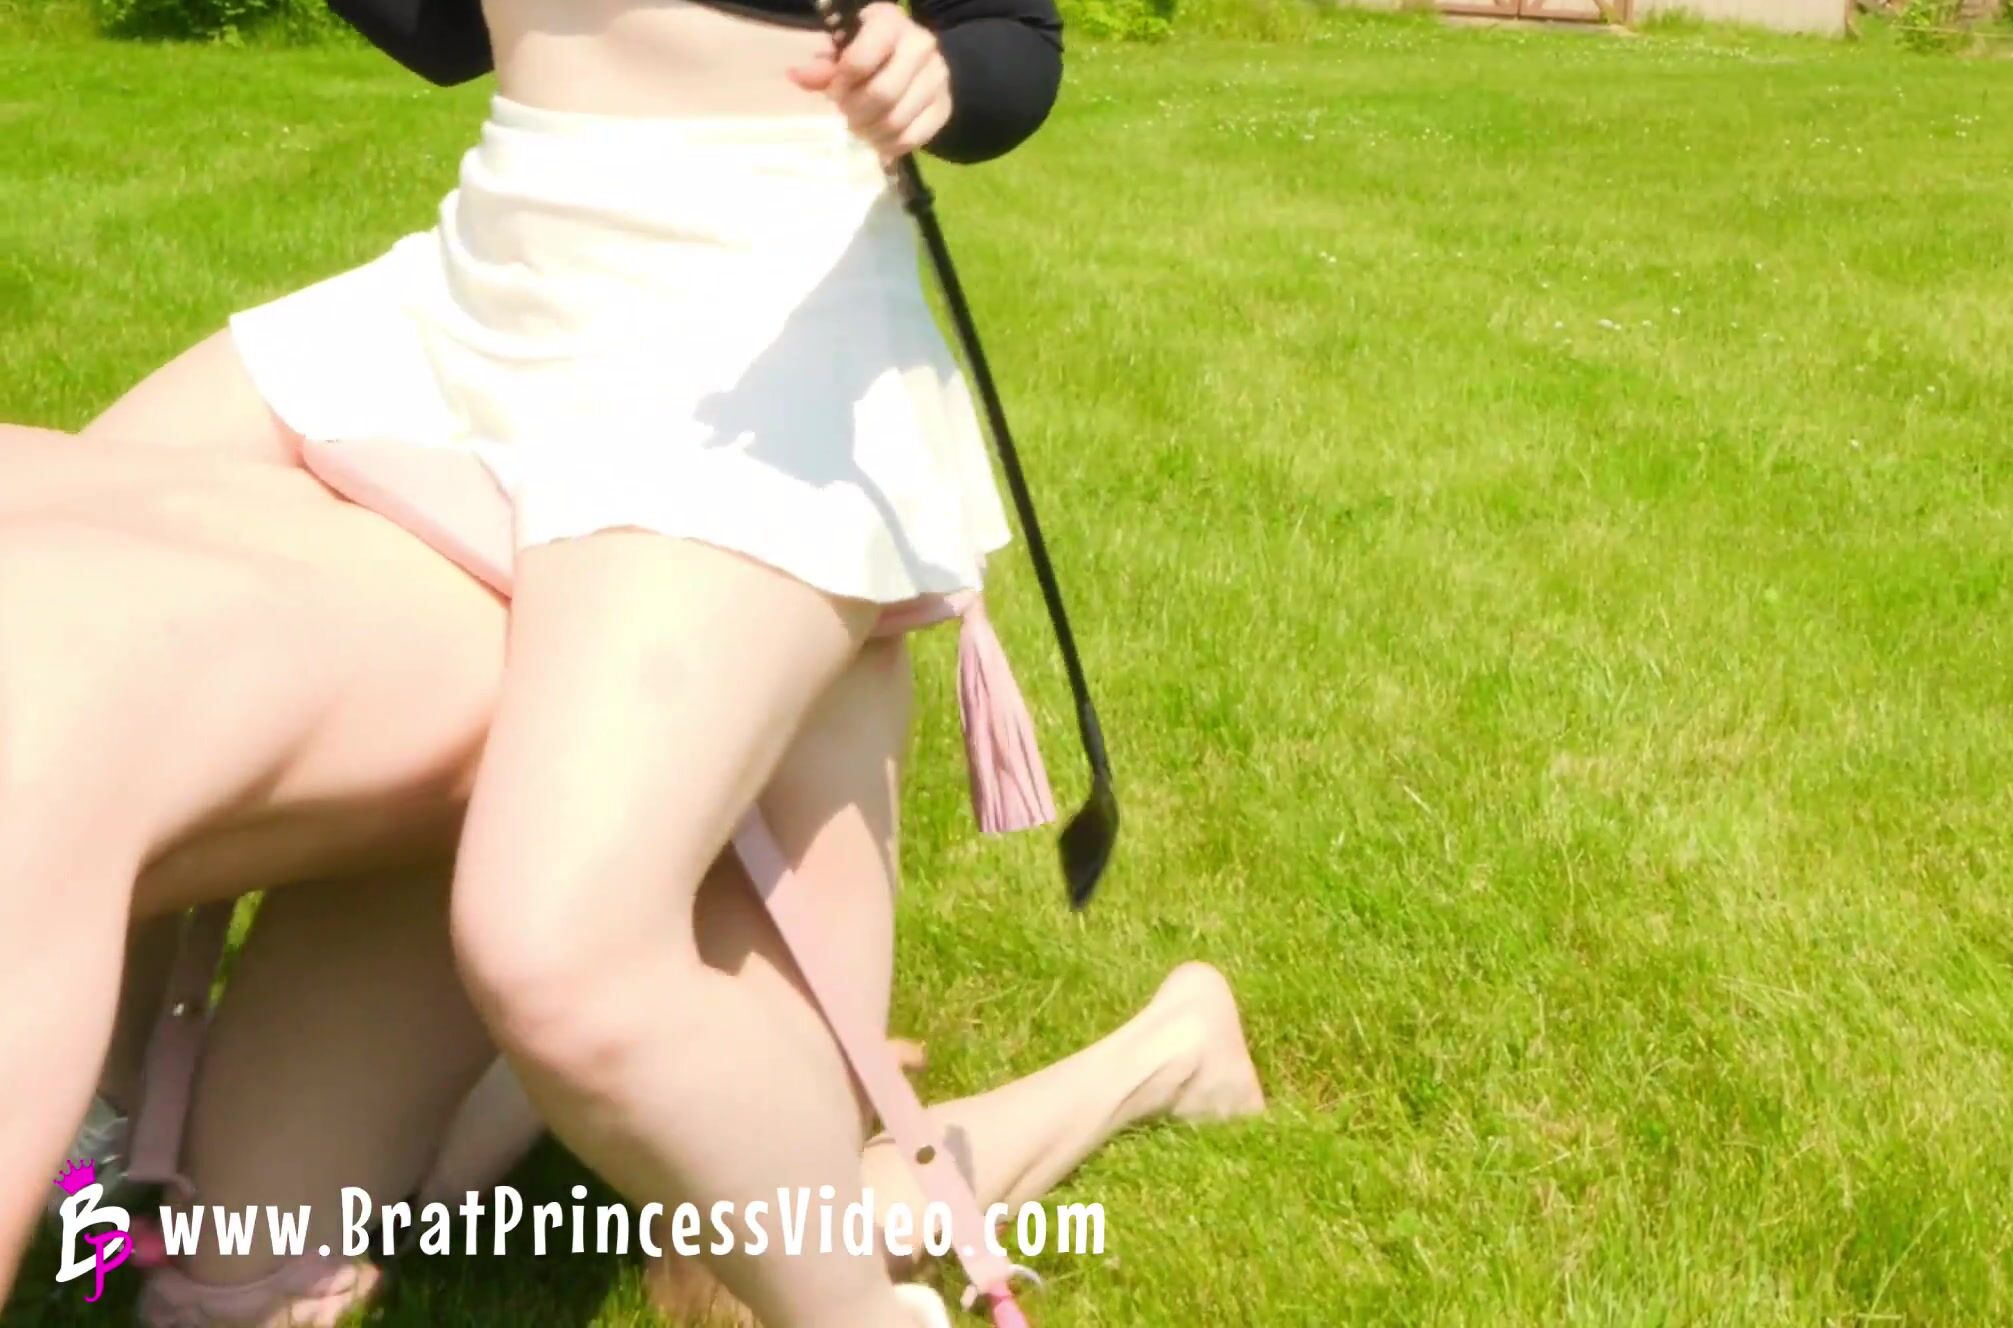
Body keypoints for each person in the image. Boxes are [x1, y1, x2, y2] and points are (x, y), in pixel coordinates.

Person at [75, 0, 1065, 1319]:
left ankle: (876, 1295)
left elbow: (1011, 37)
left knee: (556, 947)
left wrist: (934, 74)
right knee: (74, 539)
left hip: (738, 347)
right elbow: (453, 19)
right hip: (487, 280)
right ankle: (129, 1133)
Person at [0, 427, 1261, 1328]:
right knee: (259, 1256)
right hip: (490, 715)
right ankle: (537, 1072)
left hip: (740, 675)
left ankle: (1168, 1047)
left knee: (743, 1255)